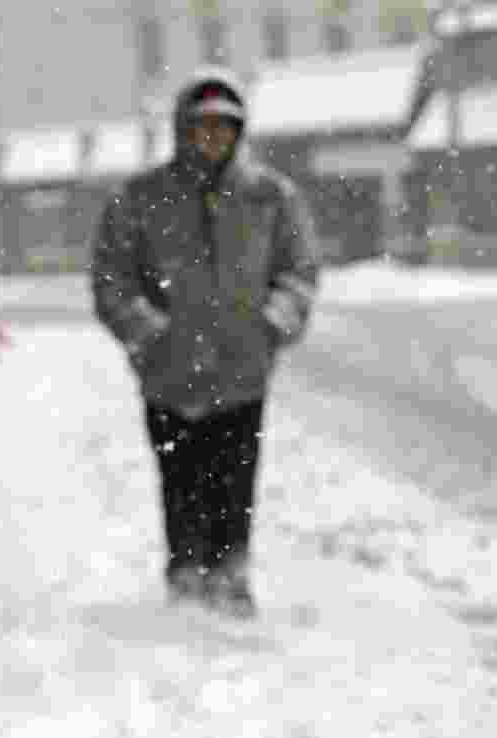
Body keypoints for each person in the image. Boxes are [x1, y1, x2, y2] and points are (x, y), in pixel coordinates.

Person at [90, 66, 320, 617]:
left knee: (235, 479)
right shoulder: (142, 197)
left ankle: (231, 570)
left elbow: (299, 269)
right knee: (180, 478)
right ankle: (186, 572)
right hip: (168, 373)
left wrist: (274, 321)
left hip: (242, 371)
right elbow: (111, 276)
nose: (212, 137)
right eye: (202, 127)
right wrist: (147, 332)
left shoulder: (269, 197)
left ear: (239, 133)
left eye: (225, 127)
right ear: (182, 130)